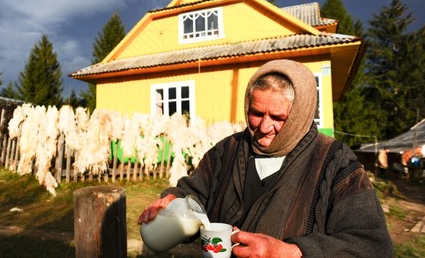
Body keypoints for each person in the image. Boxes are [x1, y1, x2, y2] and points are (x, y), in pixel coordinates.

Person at [138, 59, 393, 257]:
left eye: (278, 118)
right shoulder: (227, 151)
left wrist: (290, 251)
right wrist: (172, 201)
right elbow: (194, 196)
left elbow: (372, 245)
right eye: (256, 113)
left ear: (301, 114)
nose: (263, 127)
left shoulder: (334, 162)